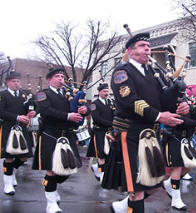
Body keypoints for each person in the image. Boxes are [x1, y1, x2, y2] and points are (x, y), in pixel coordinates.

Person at [110, 32, 189, 213]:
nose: (148, 49)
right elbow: (130, 101)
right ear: (130, 51)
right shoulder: (122, 72)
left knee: (153, 183)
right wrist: (159, 116)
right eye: (142, 46)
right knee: (137, 190)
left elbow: (163, 100)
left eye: (148, 46)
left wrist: (179, 100)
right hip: (130, 133)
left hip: (151, 135)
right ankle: (127, 206)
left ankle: (122, 207)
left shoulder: (154, 72)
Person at [32, 67, 89, 213]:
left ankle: (50, 186)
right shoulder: (42, 94)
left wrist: (84, 110)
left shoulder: (69, 94)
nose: (60, 79)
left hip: (68, 135)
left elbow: (81, 106)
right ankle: (50, 203)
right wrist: (68, 116)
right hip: (51, 134)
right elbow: (45, 111)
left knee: (68, 169)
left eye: (62, 77)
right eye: (57, 76)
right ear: (49, 79)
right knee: (52, 169)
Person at [0, 72, 36, 195]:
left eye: (18, 81)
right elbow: (1, 112)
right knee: (9, 156)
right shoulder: (2, 95)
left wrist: (32, 112)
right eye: (14, 81)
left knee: (24, 156)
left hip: (22, 129)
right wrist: (17, 117)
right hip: (8, 128)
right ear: (7, 82)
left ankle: (12, 171)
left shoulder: (24, 95)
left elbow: (30, 107)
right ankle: (8, 183)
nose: (17, 84)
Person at [86, 83, 114, 181]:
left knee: (107, 154)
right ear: (99, 92)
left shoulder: (110, 103)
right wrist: (111, 123)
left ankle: (97, 169)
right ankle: (102, 174)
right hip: (99, 132)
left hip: (109, 133)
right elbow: (97, 119)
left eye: (107, 91)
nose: (106, 93)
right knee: (101, 154)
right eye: (104, 91)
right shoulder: (94, 104)